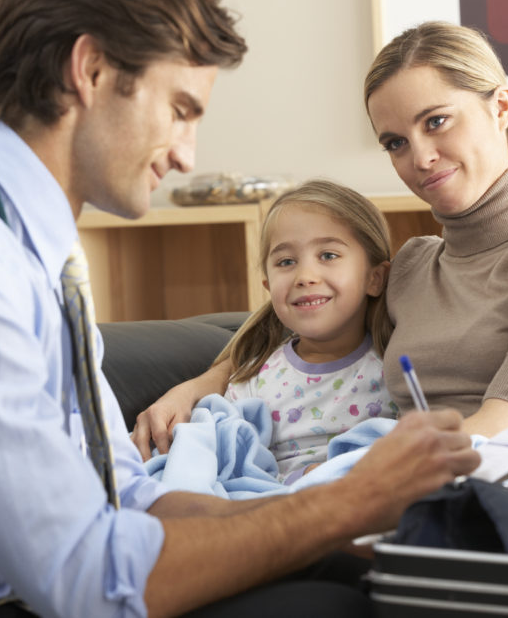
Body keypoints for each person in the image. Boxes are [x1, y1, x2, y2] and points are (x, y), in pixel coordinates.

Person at [0, 0, 480, 616]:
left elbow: (129, 496)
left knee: (358, 578)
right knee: (318, 606)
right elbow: (90, 580)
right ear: (91, 71)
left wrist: (344, 523)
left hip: (28, 587)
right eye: (180, 110)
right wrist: (344, 504)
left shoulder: (35, 251)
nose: (186, 156)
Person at [138, 21, 508, 495]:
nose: (420, 158)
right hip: (439, 511)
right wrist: (201, 385)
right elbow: (302, 324)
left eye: (437, 122)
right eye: (396, 142)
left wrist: (358, 478)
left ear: (501, 107)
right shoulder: (412, 268)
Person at [160, 179, 399, 483]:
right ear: (268, 286)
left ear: (374, 278)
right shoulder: (253, 380)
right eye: (286, 261)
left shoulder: (396, 369)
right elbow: (232, 464)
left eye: (328, 255)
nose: (305, 276)